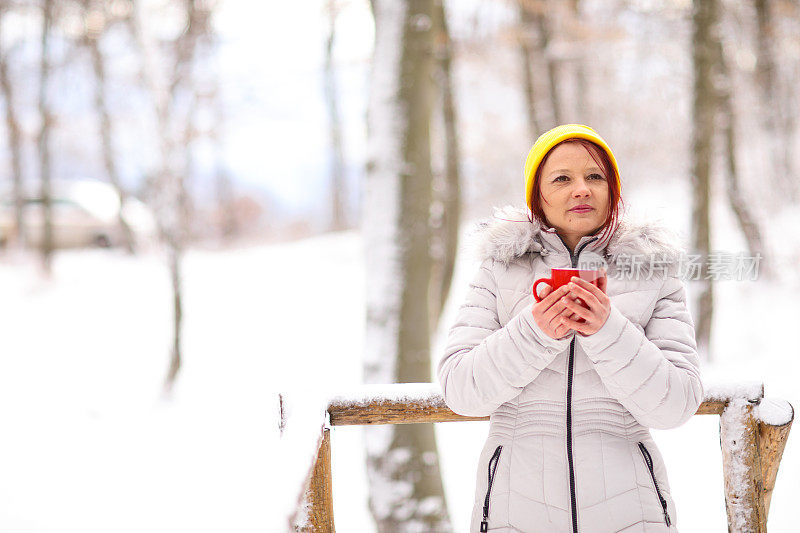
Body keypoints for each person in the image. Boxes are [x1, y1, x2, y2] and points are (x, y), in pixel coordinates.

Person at [437, 124, 703, 532]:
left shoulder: (653, 271)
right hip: (514, 512)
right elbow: (461, 390)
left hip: (632, 513)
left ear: (612, 190)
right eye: (562, 178)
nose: (581, 189)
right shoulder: (499, 269)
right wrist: (535, 332)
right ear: (537, 196)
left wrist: (607, 330)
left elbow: (677, 405)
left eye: (595, 176)